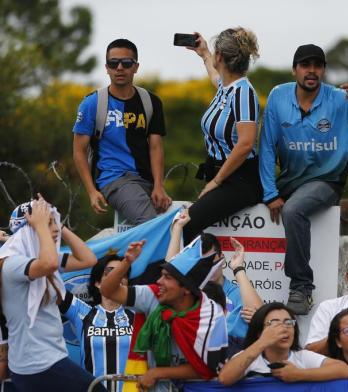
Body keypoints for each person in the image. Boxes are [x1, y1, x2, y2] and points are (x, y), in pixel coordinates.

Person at [259, 44, 348, 315]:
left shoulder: (342, 100)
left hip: (327, 181)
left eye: (317, 66)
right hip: (289, 180)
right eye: (305, 65)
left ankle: (301, 288)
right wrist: (270, 193)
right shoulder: (278, 96)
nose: (311, 71)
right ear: (294, 69)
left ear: (323, 70)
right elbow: (267, 147)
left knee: (294, 209)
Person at [0, 198, 105, 392]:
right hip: (37, 364)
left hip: (49, 361)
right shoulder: (11, 264)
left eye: (54, 220)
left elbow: (88, 259)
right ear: (28, 230)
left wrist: (60, 227)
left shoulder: (42, 259)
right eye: (49, 222)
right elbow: (49, 265)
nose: (54, 227)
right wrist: (41, 227)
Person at [100, 237, 228, 391]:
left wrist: (158, 373)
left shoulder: (211, 316)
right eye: (161, 275)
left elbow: (207, 368)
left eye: (167, 277)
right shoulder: (152, 295)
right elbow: (107, 290)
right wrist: (127, 261)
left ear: (186, 289)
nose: (159, 281)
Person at [73, 38, 171, 226]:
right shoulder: (91, 104)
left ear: (136, 67)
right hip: (114, 179)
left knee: (173, 223)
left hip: (145, 180)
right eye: (113, 63)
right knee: (150, 224)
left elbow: (156, 147)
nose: (119, 68)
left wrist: (159, 186)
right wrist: (92, 191)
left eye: (126, 63)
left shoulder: (151, 102)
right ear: (106, 67)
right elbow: (79, 151)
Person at [182, 27, 262, 244]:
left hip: (238, 179)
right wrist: (205, 54)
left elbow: (246, 144)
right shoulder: (226, 87)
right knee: (189, 229)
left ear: (221, 57)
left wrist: (216, 182)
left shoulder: (243, 92)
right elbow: (215, 77)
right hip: (223, 175)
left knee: (184, 226)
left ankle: (176, 277)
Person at [167, 210, 263, 355]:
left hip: (234, 358)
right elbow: (170, 273)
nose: (206, 268)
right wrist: (177, 229)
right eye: (201, 262)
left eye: (210, 260)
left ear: (221, 257)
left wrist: (238, 268)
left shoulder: (236, 292)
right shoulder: (191, 292)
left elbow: (260, 316)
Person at [59, 252, 148, 392]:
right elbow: (49, 281)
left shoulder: (139, 315)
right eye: (111, 272)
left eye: (123, 274)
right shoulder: (82, 312)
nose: (118, 277)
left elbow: (169, 285)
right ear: (98, 283)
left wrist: (176, 230)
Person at [218, 302, 348, 385]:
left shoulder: (302, 357)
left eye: (289, 323)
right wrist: (262, 342)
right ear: (259, 331)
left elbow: (346, 371)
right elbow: (225, 378)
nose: (284, 328)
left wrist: (299, 374)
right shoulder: (250, 358)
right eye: (275, 323)